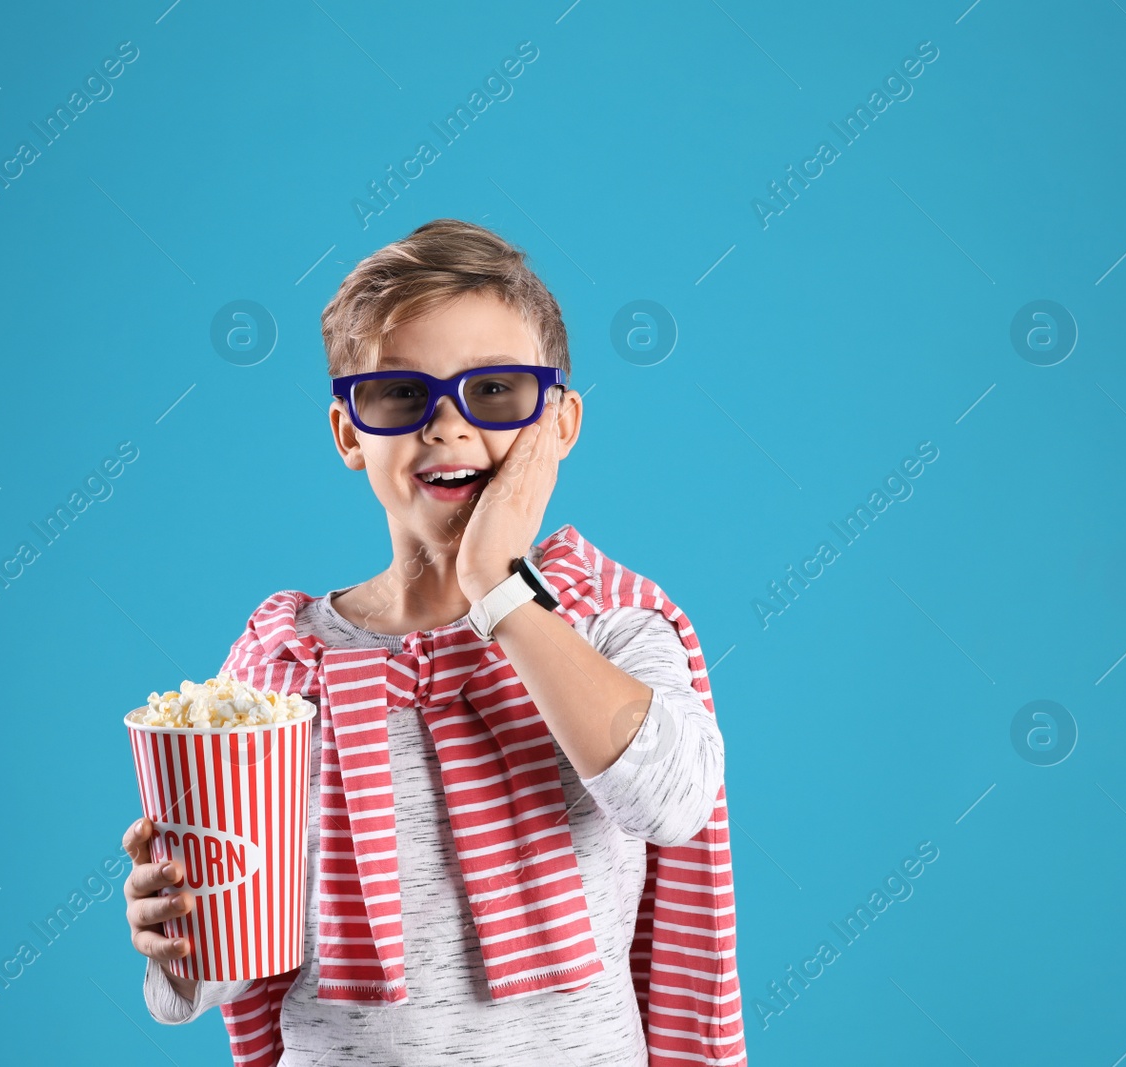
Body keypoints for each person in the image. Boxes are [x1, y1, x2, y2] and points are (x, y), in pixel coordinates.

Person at [122, 218, 745, 1065]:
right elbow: (235, 955)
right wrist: (178, 934)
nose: (447, 425)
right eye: (401, 394)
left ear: (559, 424)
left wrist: (498, 585)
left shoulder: (608, 622)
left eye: (495, 391)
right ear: (349, 432)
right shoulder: (278, 666)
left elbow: (673, 802)